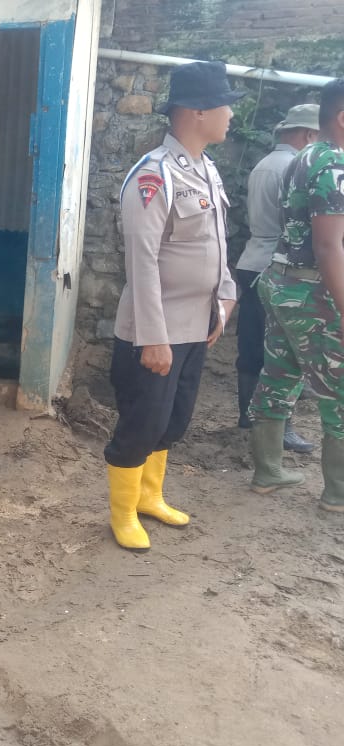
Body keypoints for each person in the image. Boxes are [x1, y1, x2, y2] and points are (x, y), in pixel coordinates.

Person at [104, 61, 242, 551]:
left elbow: (217, 245)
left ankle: (149, 497)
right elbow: (141, 262)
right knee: (142, 423)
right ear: (198, 111)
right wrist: (153, 337)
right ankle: (122, 513)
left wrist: (224, 298)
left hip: (196, 324)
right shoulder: (153, 176)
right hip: (156, 331)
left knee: (173, 421)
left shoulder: (206, 170)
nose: (231, 114)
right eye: (225, 105)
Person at [249, 78, 344, 510]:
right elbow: (329, 244)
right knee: (340, 391)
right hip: (313, 291)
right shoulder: (335, 164)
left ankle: (268, 471)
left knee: (279, 375)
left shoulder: (303, 156)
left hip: (282, 281)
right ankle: (338, 494)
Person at [235, 105, 319, 453]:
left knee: (253, 344)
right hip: (277, 265)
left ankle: (248, 416)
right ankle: (279, 427)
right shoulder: (296, 167)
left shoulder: (264, 164)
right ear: (309, 135)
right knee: (282, 352)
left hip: (253, 259)